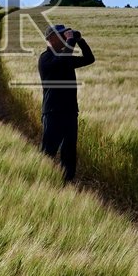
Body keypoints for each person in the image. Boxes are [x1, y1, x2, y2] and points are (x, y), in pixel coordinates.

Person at [38, 22, 95, 182]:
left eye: (65, 34)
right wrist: (70, 41)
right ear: (51, 39)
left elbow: (90, 59)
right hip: (53, 113)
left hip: (70, 112)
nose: (65, 37)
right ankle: (41, 182)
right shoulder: (45, 58)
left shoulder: (65, 58)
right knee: (48, 152)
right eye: (61, 35)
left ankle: (67, 184)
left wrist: (80, 41)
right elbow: (62, 61)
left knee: (69, 153)